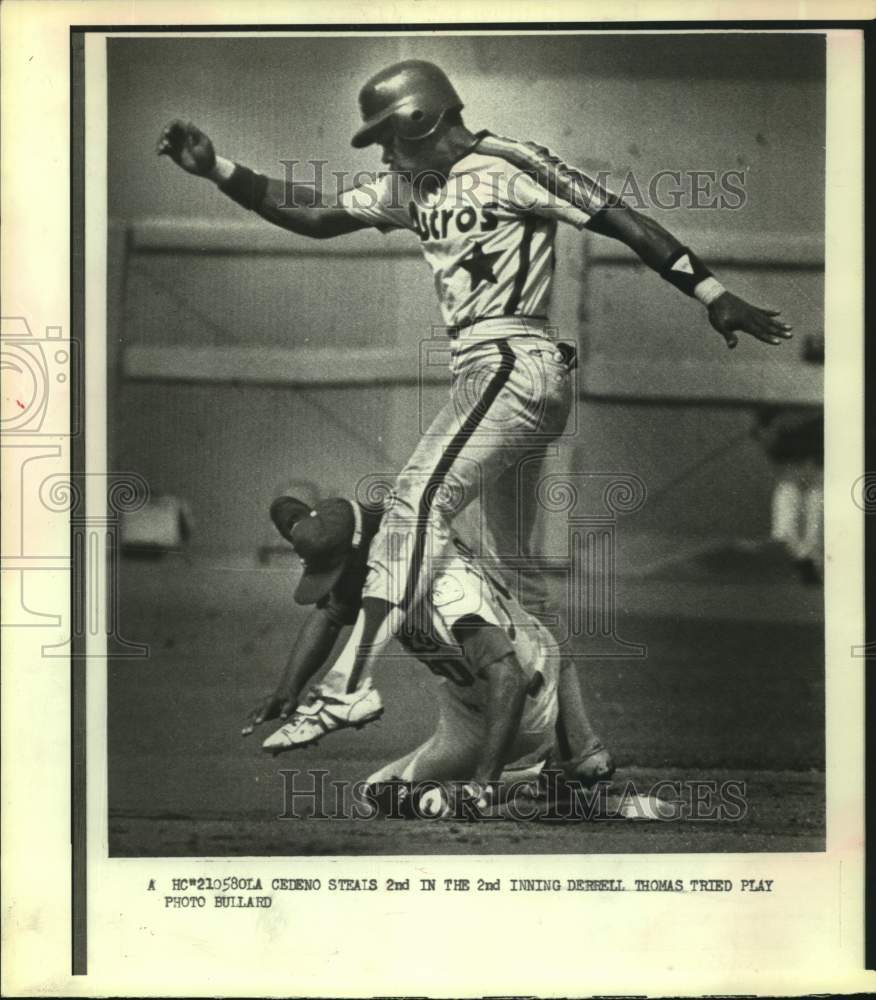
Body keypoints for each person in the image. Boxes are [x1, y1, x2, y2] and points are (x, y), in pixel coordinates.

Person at [159, 58, 792, 736]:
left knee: (413, 504)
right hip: (499, 377)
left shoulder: (511, 162)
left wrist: (711, 292)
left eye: (385, 136)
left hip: (512, 362)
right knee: (517, 576)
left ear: (418, 118)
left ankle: (346, 686)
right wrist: (218, 169)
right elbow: (315, 214)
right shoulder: (410, 187)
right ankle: (580, 752)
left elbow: (621, 219)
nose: (382, 153)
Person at [244, 493, 615, 795]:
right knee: (379, 794)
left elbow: (509, 678)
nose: (337, 587)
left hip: (517, 710)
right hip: (470, 710)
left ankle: (513, 781)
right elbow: (329, 614)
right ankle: (543, 777)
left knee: (403, 797)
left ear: (362, 553)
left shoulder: (446, 588)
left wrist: (483, 784)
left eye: (339, 573)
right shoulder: (386, 558)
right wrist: (288, 688)